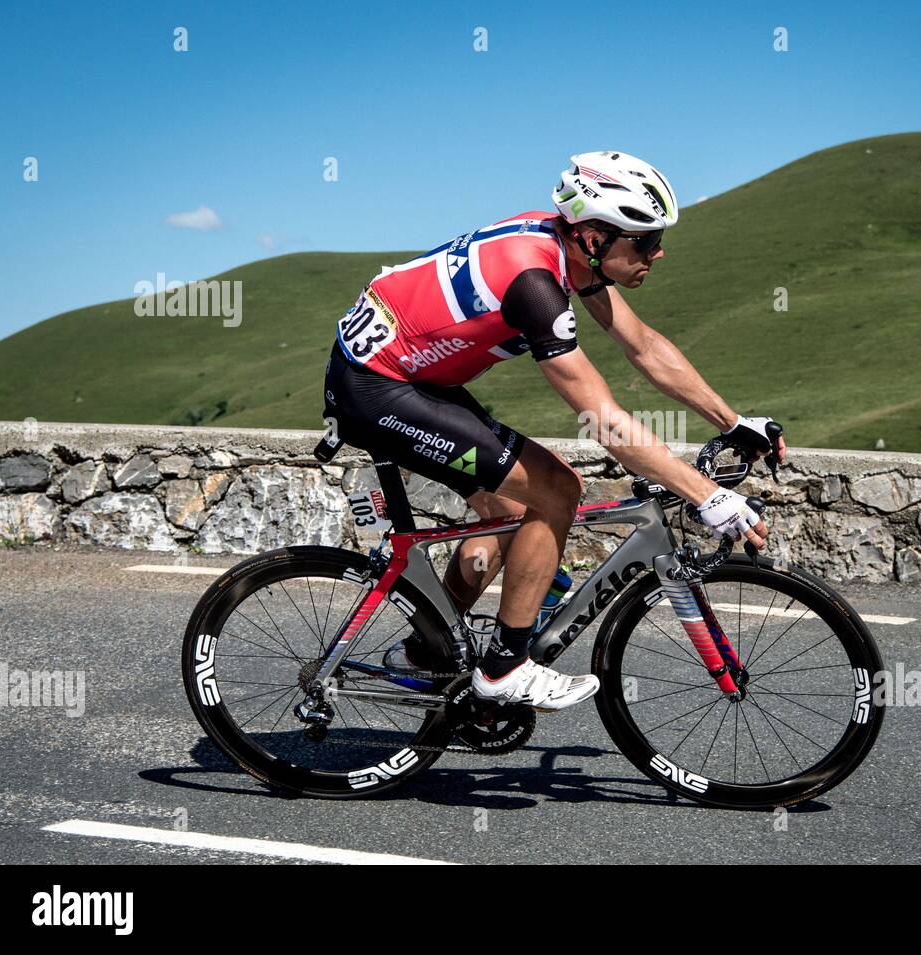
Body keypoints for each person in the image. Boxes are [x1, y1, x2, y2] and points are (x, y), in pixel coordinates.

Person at [322, 150, 786, 711]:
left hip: (414, 377)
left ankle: (431, 650)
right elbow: (604, 420)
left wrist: (734, 422)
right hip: (376, 389)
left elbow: (643, 347)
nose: (657, 251)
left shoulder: (566, 250)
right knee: (556, 488)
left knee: (511, 514)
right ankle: (505, 668)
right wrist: (706, 495)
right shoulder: (534, 283)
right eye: (643, 239)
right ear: (593, 235)